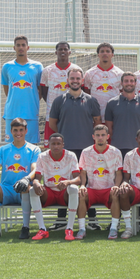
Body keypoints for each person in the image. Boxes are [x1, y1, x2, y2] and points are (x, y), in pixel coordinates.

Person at [48, 67, 101, 229]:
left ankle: (92, 220)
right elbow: (52, 123)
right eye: (73, 78)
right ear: (68, 80)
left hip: (86, 151)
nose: (75, 81)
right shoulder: (59, 101)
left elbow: (97, 123)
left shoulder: (91, 100)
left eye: (78, 78)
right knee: (64, 184)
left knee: (88, 184)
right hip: (66, 151)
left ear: (82, 81)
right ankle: (61, 221)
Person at [0, 118, 40, 240]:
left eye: (21, 130)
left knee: (25, 188)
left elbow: (35, 170)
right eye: (15, 130)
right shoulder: (3, 149)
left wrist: (26, 179)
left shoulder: (34, 149)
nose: (18, 133)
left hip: (24, 189)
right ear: (11, 131)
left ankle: (25, 228)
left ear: (26, 130)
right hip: (6, 188)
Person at [28, 133, 81, 241]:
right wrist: (36, 182)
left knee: (74, 188)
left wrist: (68, 182)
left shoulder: (71, 155)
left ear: (63, 145)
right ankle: (42, 229)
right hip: (49, 192)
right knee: (33, 190)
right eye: (53, 144)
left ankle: (69, 229)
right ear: (49, 145)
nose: (56, 146)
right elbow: (37, 177)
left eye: (58, 144)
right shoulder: (42, 156)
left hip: (65, 192)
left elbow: (78, 179)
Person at [77, 124, 124, 240]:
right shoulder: (86, 152)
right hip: (92, 188)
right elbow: (82, 172)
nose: (100, 138)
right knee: (81, 194)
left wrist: (116, 186)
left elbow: (119, 173)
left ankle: (113, 228)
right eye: (98, 135)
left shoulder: (116, 152)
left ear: (108, 136)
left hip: (108, 188)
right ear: (93, 136)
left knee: (115, 193)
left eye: (103, 135)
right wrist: (83, 185)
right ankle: (82, 229)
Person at [1, 36, 43, 144]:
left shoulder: (37, 66)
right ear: (14, 47)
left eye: (23, 45)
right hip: (12, 113)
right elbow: (7, 90)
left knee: (32, 147)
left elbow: (41, 90)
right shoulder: (7, 67)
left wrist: (31, 100)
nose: (21, 47)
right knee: (11, 146)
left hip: (31, 113)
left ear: (27, 47)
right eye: (18, 45)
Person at [40, 41, 82, 147]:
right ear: (56, 52)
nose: (63, 51)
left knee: (71, 145)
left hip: (71, 112)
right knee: (52, 146)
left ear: (69, 52)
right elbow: (44, 90)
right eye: (60, 49)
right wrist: (53, 104)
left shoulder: (76, 69)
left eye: (65, 49)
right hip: (52, 113)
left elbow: (81, 90)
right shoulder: (47, 70)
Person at [104, 72, 140, 156]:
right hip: (117, 148)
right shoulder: (111, 103)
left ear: (135, 83)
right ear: (121, 83)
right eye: (126, 81)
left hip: (138, 148)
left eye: (131, 81)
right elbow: (109, 128)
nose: (129, 83)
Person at [83, 42, 124, 119]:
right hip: (94, 116)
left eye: (108, 51)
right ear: (98, 55)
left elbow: (123, 95)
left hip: (114, 116)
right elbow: (86, 94)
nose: (105, 53)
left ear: (112, 54)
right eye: (102, 51)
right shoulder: (90, 73)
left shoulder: (120, 74)